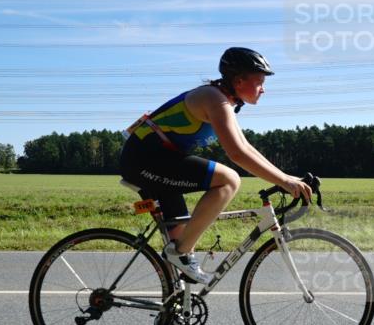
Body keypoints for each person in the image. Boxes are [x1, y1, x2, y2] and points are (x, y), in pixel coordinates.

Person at [120, 47, 313, 285]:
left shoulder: (224, 102)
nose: (263, 89)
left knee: (182, 247)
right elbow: (237, 153)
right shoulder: (214, 99)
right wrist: (283, 181)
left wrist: (288, 178)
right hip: (145, 160)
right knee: (228, 180)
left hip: (160, 161)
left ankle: (176, 303)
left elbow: (246, 147)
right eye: (260, 82)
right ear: (239, 80)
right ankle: (179, 255)